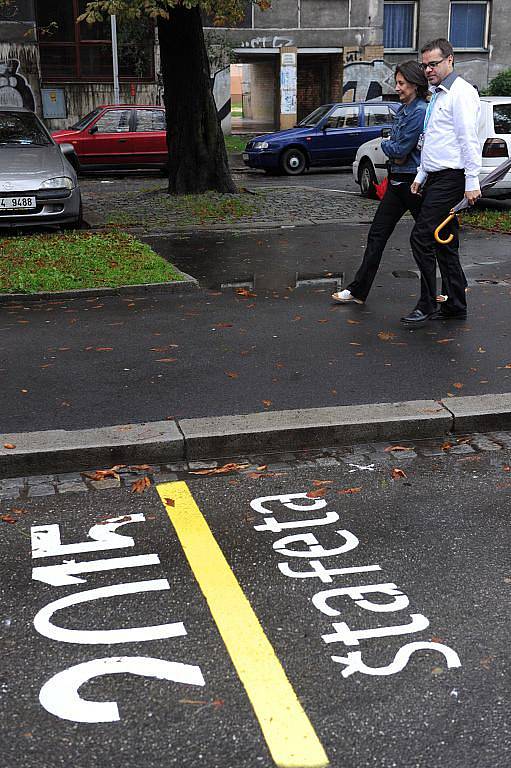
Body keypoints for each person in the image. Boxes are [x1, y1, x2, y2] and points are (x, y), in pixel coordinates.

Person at [332, 61, 428, 306]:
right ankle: (358, 291)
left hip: (412, 183)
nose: (397, 87)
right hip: (396, 181)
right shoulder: (403, 110)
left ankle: (446, 291)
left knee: (428, 241)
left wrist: (387, 145)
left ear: (415, 85)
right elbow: (396, 148)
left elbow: (399, 148)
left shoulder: (419, 111)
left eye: (402, 83)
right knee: (377, 235)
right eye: (397, 83)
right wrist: (392, 147)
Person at [401, 38, 482, 324]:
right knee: (444, 243)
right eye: (424, 65)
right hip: (436, 177)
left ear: (450, 60)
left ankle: (428, 303)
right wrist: (421, 174)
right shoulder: (438, 94)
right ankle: (455, 304)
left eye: (433, 64)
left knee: (421, 238)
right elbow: (434, 139)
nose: (427, 70)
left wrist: (472, 180)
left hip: (452, 178)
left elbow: (467, 139)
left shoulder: (460, 93)